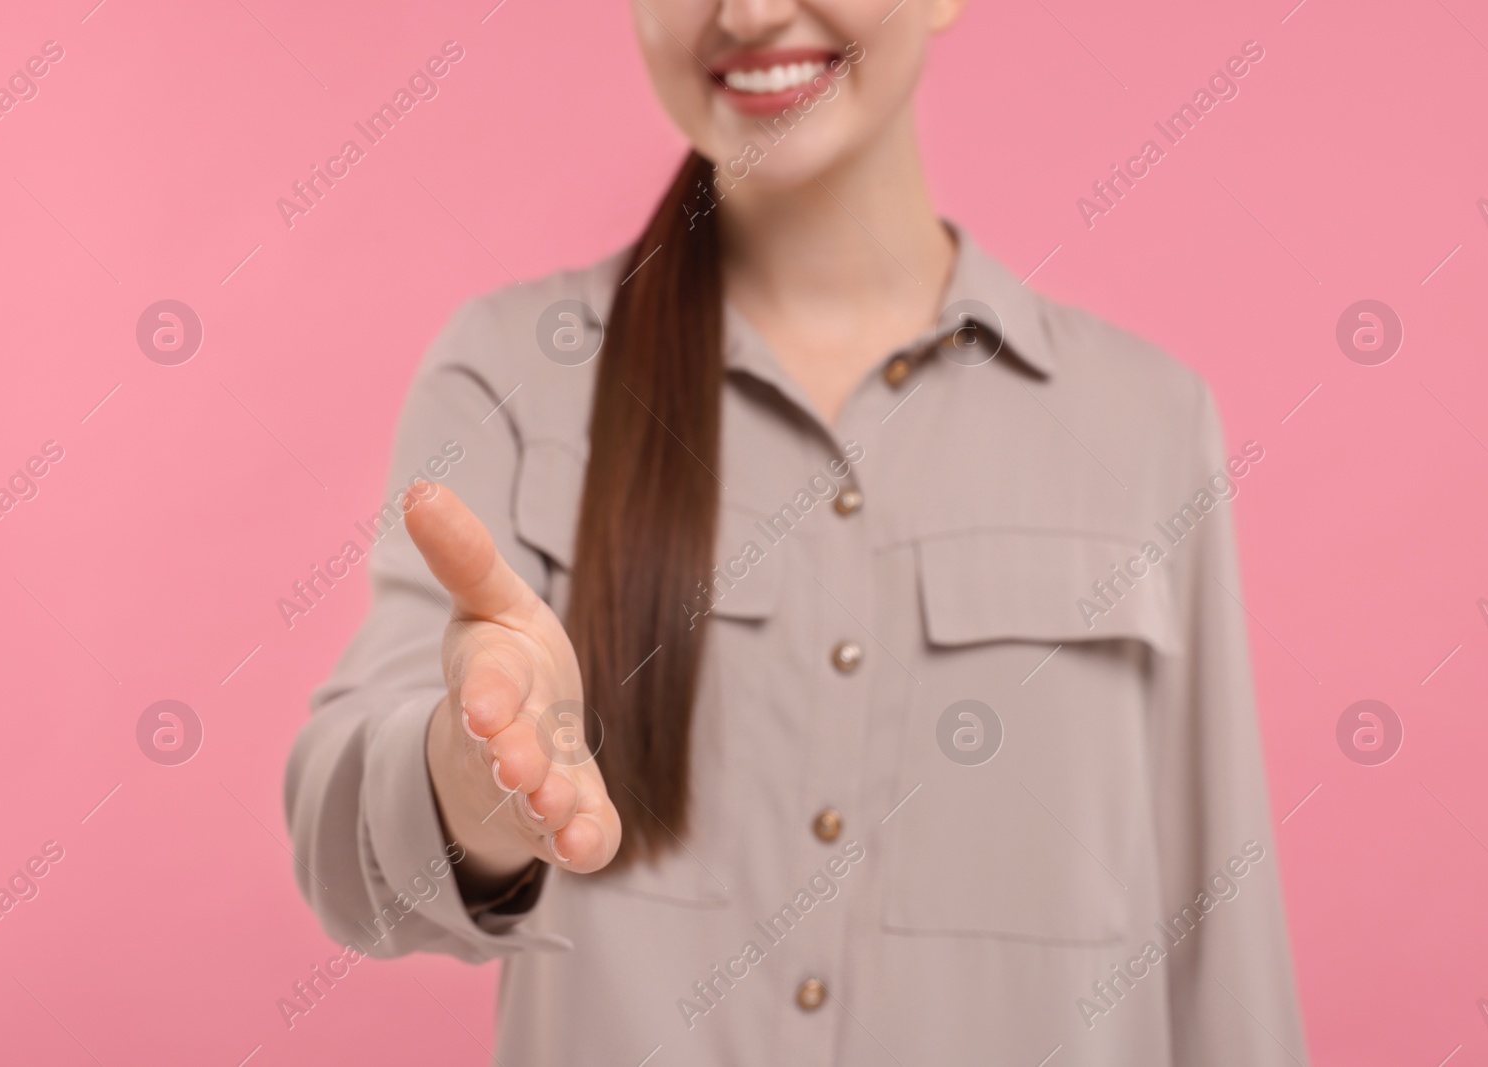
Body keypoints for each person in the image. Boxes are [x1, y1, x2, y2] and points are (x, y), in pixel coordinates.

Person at [284, 0, 1310, 1063]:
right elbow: (347, 844)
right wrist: (474, 771)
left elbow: (1219, 935)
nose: (752, 12)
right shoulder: (512, 372)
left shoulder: (1144, 420)